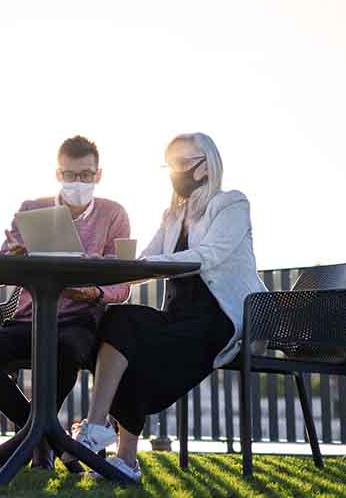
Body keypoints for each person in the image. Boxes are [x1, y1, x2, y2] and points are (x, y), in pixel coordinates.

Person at [69, 132, 267, 481]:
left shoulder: (232, 204)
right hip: (179, 316)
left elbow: (210, 256)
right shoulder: (172, 216)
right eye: (169, 164)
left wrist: (158, 263)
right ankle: (117, 450)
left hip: (217, 319)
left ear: (205, 167)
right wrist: (101, 275)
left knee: (129, 340)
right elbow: (146, 261)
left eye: (181, 163)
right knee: (117, 323)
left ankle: (105, 436)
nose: (174, 172)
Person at [0, 135, 131, 469]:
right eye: (69, 174)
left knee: (63, 349)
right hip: (27, 320)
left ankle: (41, 441)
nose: (77, 182)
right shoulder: (32, 209)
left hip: (78, 324)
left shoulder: (113, 214)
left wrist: (94, 293)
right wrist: (15, 259)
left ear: (99, 175)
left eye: (86, 175)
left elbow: (123, 284)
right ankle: (47, 437)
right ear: (57, 173)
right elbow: (3, 267)